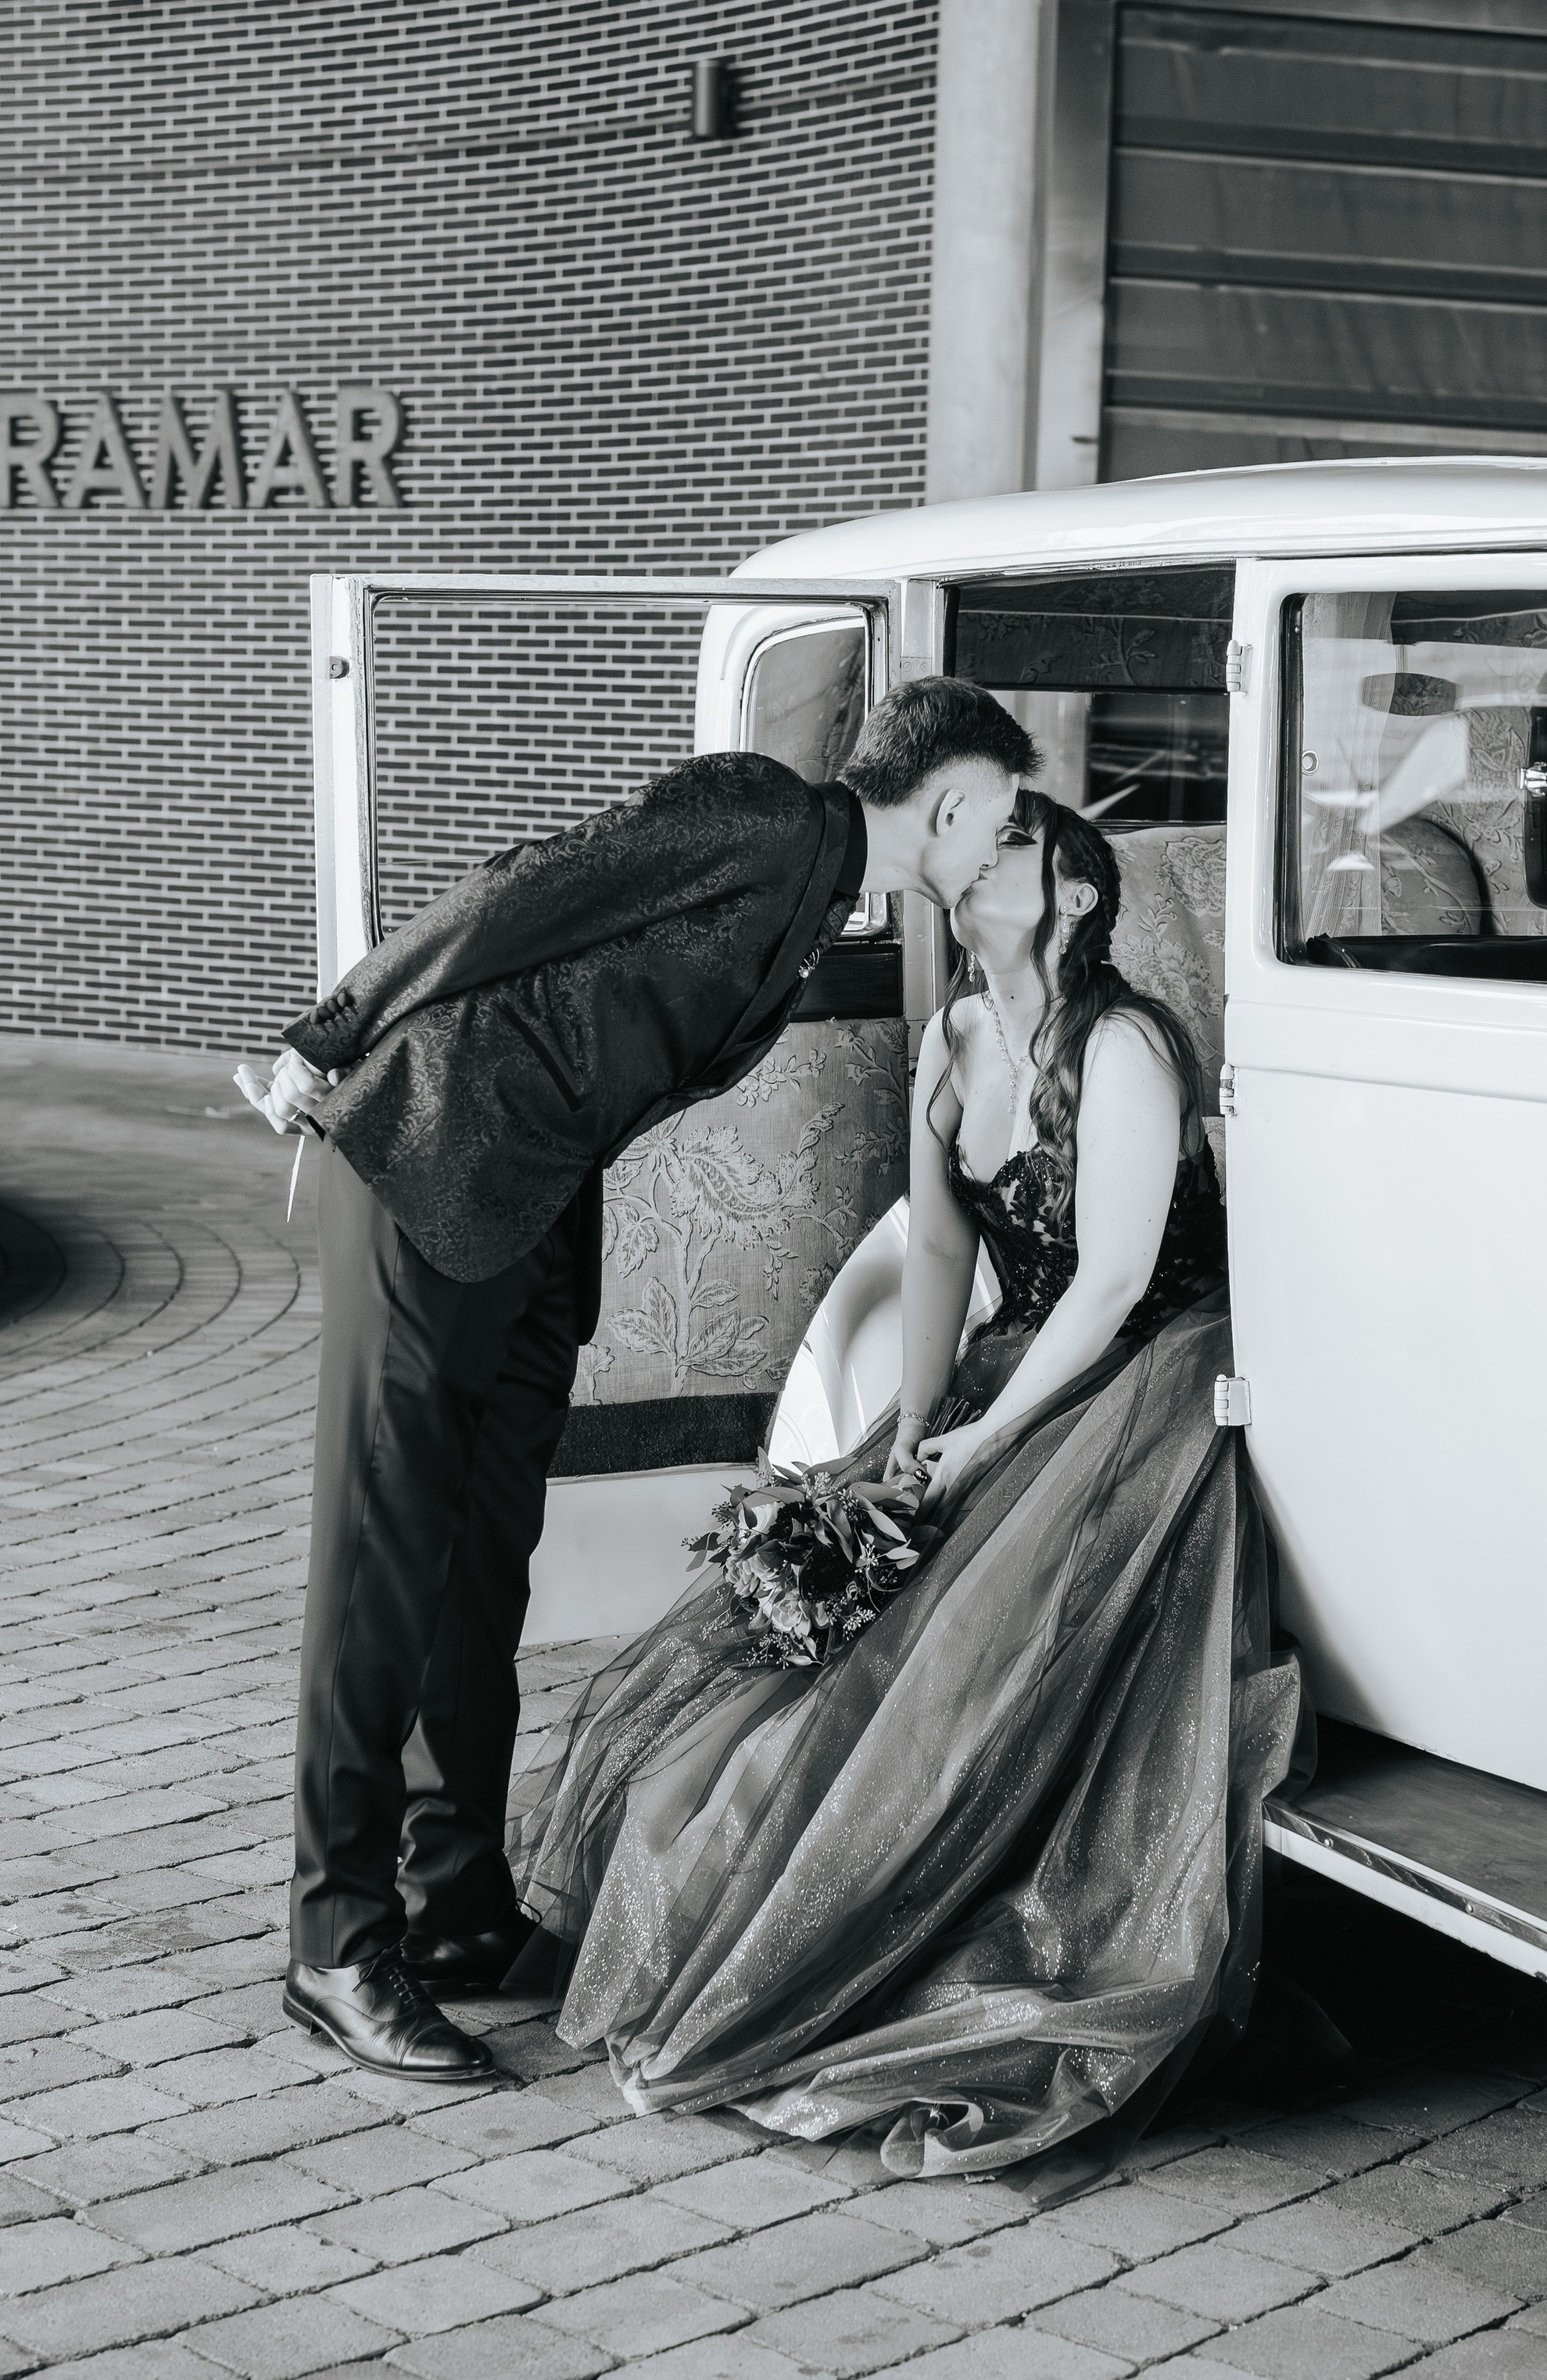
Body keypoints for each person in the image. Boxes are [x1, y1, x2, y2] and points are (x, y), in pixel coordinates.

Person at [238, 678, 1032, 2082]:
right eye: (1001, 823)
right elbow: (525, 890)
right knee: (385, 1548)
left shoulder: (830, 888)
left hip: (537, 1199)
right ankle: (335, 1940)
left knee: (484, 1547)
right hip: (434, 1154)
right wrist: (333, 1024)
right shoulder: (772, 816)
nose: (998, 854)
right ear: (952, 800)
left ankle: (454, 1902)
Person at [507, 787, 1305, 2178]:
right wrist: (914, 1424)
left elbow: (1115, 1278)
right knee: (808, 1635)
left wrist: (991, 1445)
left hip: (1153, 1373)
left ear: (1071, 894)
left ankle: (884, 1923)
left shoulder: (1123, 1046)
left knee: (956, 1662)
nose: (974, 858)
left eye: (1008, 843)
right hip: (1015, 1357)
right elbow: (941, 1259)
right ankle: (748, 1900)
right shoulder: (949, 1036)